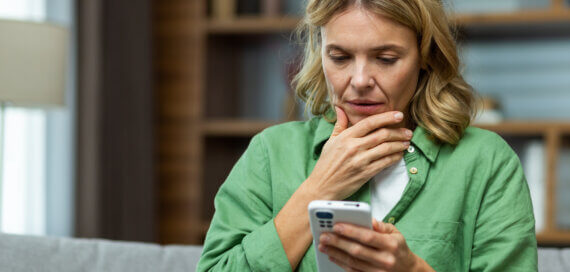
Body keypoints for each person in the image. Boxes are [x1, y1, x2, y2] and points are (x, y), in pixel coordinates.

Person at [196, 0, 537, 271]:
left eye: (386, 58)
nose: (360, 80)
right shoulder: (270, 153)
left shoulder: (485, 162)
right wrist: (319, 188)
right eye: (340, 57)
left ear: (425, 57)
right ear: (320, 53)